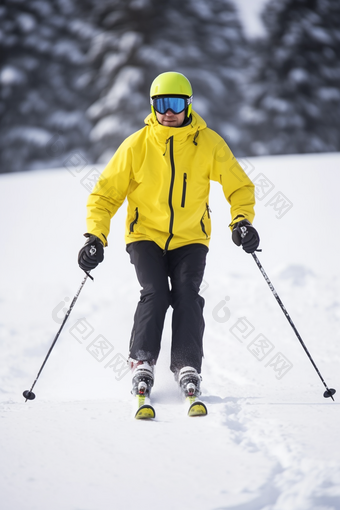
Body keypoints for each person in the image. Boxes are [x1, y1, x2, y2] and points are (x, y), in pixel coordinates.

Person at [78, 71, 259, 401]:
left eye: (176, 103)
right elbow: (104, 195)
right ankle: (142, 361)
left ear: (188, 105)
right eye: (162, 103)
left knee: (187, 293)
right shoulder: (137, 146)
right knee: (156, 292)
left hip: (191, 238)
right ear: (153, 105)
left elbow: (240, 186)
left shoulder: (209, 144)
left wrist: (241, 221)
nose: (169, 112)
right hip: (144, 235)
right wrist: (95, 236)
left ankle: (187, 364)